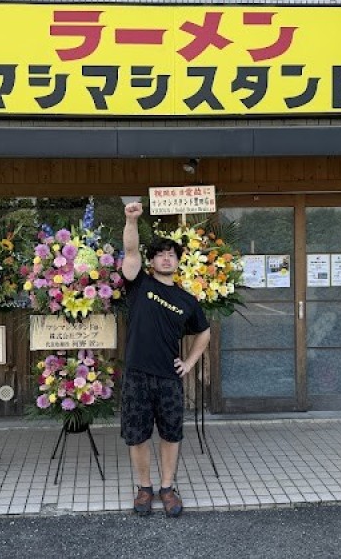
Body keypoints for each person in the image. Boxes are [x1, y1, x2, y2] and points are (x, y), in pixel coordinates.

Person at [121, 201, 211, 517]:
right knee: (138, 435)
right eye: (161, 254)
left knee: (171, 435)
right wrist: (131, 221)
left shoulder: (188, 300)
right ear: (153, 260)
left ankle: (167, 488)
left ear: (178, 262)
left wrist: (188, 363)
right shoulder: (139, 284)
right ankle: (144, 488)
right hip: (136, 375)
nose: (166, 257)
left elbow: (204, 334)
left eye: (172, 254)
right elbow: (131, 252)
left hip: (169, 378)